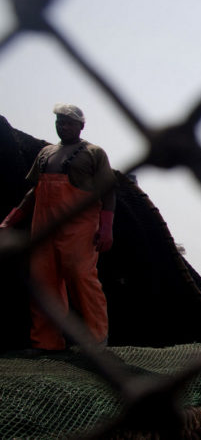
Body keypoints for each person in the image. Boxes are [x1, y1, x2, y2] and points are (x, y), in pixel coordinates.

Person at [0, 104, 116, 351]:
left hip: (78, 228)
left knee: (81, 277)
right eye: (59, 122)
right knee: (43, 283)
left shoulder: (94, 153)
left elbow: (108, 192)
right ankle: (46, 342)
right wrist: (11, 220)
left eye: (68, 122)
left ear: (81, 126)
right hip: (44, 227)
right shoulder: (46, 153)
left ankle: (96, 339)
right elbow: (35, 190)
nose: (63, 126)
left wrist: (106, 227)